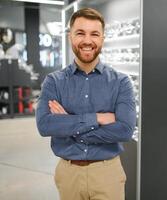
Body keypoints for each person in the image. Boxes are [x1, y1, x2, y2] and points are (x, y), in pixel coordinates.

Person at [36, 8, 136, 200]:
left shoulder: (121, 82)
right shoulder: (53, 82)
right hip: (68, 174)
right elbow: (45, 125)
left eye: (94, 34)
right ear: (70, 37)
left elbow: (124, 130)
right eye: (80, 33)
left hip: (108, 173)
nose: (87, 41)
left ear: (102, 39)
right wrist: (97, 118)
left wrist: (68, 123)